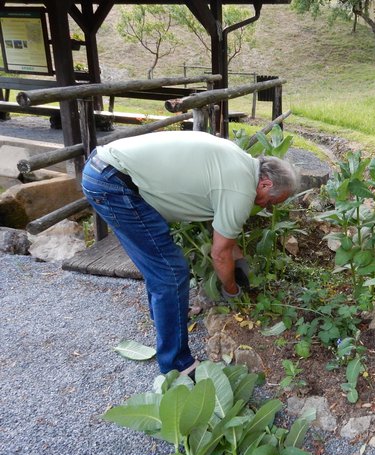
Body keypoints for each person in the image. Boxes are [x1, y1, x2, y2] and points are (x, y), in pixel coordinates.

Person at [81, 131, 299, 377]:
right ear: (266, 184)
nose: (268, 206)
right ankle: (176, 365)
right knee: (170, 271)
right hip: (114, 183)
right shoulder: (240, 188)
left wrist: (241, 265)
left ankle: (168, 314)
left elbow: (225, 236)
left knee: (158, 263)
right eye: (272, 201)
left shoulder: (241, 163)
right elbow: (220, 253)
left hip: (105, 168)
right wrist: (231, 289)